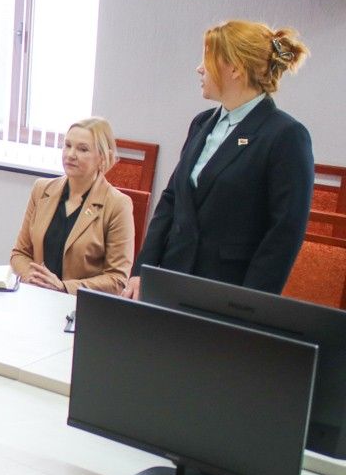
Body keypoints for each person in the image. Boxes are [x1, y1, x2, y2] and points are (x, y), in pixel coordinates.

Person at [123, 20, 313, 299]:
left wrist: (249, 304)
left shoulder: (285, 135)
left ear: (235, 68)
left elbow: (284, 232)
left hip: (227, 291)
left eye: (207, 59)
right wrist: (142, 270)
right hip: (173, 278)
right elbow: (172, 199)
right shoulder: (202, 123)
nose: (199, 68)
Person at [10, 117, 134, 294]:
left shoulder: (118, 204)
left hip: (80, 304)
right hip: (36, 296)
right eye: (67, 145)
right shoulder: (41, 189)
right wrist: (34, 278)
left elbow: (117, 279)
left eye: (82, 149)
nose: (70, 154)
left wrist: (64, 288)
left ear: (102, 157)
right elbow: (19, 253)